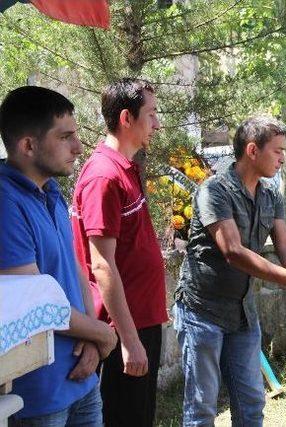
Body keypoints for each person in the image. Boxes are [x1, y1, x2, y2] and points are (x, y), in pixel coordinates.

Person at [173, 116, 286, 426]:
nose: (283, 158)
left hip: (242, 313)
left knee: (251, 403)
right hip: (201, 312)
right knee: (202, 409)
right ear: (253, 151)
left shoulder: (270, 194)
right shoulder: (214, 191)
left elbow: (284, 244)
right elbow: (233, 251)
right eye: (277, 151)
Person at [0, 86, 117, 426]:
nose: (78, 147)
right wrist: (101, 333)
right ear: (28, 145)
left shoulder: (49, 190)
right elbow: (32, 306)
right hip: (38, 393)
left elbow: (77, 270)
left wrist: (93, 338)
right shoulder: (6, 204)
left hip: (81, 375)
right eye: (65, 137)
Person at [71, 78, 166, 427]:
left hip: (142, 319)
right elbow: (101, 264)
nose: (157, 123)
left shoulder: (124, 168)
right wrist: (128, 340)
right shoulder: (103, 177)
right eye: (152, 114)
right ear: (127, 118)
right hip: (124, 328)